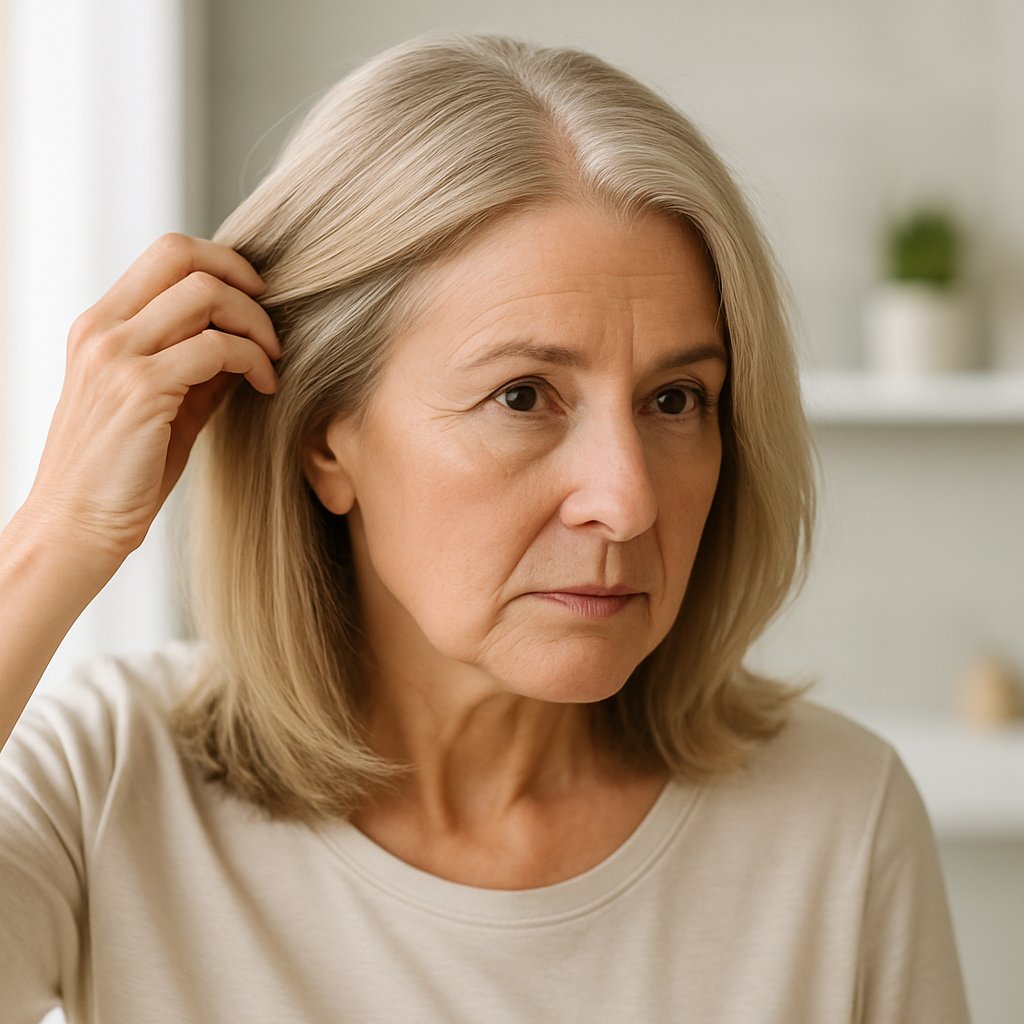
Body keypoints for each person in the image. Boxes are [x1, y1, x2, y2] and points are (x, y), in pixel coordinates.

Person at [0, 32, 971, 1024]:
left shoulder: (838, 823)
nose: (626, 500)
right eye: (522, 395)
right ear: (324, 440)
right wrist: (56, 536)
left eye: (676, 398)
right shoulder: (110, 778)